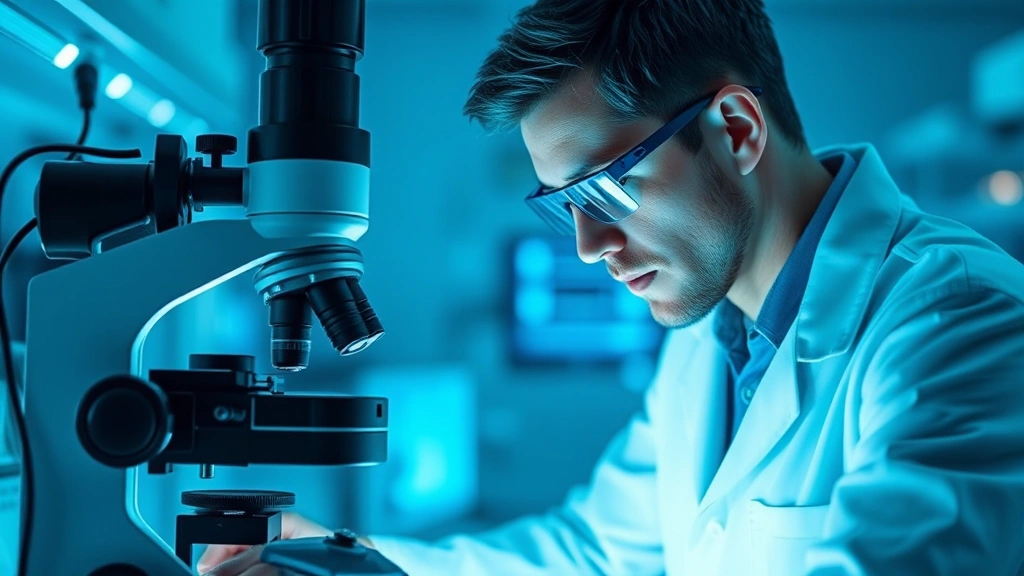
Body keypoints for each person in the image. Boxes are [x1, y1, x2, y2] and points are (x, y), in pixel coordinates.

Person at [200, 0, 1024, 574]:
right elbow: (595, 551)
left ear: (736, 130)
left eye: (607, 189)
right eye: (564, 206)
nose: (589, 248)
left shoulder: (958, 319)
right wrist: (346, 561)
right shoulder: (712, 337)